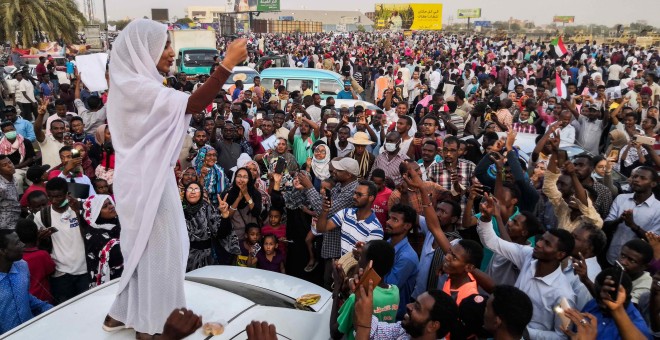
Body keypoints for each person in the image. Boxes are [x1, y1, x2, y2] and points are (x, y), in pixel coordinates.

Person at [102, 19, 247, 337]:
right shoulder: (138, 88)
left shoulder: (130, 83)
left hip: (144, 178)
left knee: (146, 249)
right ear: (144, 50)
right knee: (164, 250)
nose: (171, 52)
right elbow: (194, 105)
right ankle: (152, 326)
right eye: (164, 45)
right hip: (146, 182)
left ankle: (121, 312)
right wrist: (227, 64)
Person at [478, 193, 577, 338]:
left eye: (547, 244)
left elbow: (562, 335)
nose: (538, 244)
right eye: (542, 239)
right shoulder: (527, 256)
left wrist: (525, 332)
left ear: (560, 255)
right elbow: (493, 243)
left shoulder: (563, 295)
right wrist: (487, 218)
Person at [34, 177, 89, 304]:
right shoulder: (41, 216)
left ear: (67, 194)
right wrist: (41, 238)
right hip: (61, 273)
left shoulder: (80, 208)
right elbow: (37, 245)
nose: (54, 201)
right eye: (50, 197)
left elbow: (88, 234)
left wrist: (77, 212)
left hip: (84, 269)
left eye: (58, 196)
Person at [332, 240, 398, 340]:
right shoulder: (394, 292)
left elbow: (335, 333)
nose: (358, 260)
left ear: (368, 265)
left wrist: (337, 289)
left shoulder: (358, 298)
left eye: (361, 257)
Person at [604, 166, 660, 266]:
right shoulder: (621, 198)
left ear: (653, 184)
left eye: (643, 178)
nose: (636, 180)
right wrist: (620, 220)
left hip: (635, 265)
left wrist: (633, 225)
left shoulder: (658, 209)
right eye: (635, 176)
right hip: (612, 258)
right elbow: (606, 226)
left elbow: (653, 241)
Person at [0, 229, 52, 334]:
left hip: (31, 332)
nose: (23, 245)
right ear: (3, 251)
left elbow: (25, 296)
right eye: (17, 243)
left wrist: (48, 308)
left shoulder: (23, 266)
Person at [316, 179, 384, 257]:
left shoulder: (376, 229)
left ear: (371, 198)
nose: (354, 197)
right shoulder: (346, 213)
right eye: (355, 193)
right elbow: (321, 229)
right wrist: (325, 210)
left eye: (359, 194)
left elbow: (366, 259)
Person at [580, 269, 652, 339]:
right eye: (600, 300)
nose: (604, 305)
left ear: (625, 297)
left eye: (610, 300)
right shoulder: (593, 304)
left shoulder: (637, 328)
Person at [182, 182, 236, 270]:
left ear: (201, 193)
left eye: (196, 189)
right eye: (190, 189)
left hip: (205, 258)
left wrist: (225, 215)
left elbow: (221, 233)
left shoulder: (208, 209)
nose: (192, 192)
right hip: (183, 256)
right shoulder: (179, 209)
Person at [383, 203, 420, 320]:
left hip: (393, 315)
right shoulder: (387, 244)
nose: (388, 222)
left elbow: (388, 288)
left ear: (407, 226)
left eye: (395, 219)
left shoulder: (407, 257)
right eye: (389, 217)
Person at [81, 194, 123, 287]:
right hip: (112, 284)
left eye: (110, 203)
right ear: (95, 213)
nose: (111, 206)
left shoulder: (121, 222)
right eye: (105, 206)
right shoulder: (94, 236)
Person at [15, 219, 56, 304]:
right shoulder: (42, 255)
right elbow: (51, 270)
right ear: (37, 234)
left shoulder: (16, 258)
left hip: (25, 301)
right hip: (44, 300)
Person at [225, 167, 262, 241]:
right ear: (235, 178)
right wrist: (238, 198)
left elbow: (256, 212)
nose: (241, 180)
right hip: (235, 237)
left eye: (245, 177)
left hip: (252, 237)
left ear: (249, 179)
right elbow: (228, 216)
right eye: (239, 176)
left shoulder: (255, 194)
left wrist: (246, 194)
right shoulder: (228, 194)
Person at [0, 121, 35, 194]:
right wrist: (12, 168)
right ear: (3, 133)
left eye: (11, 130)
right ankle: (19, 198)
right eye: (7, 131)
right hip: (12, 170)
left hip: (28, 167)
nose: (10, 132)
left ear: (15, 129)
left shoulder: (25, 141)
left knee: (35, 180)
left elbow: (30, 159)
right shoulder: (1, 145)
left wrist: (16, 166)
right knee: (17, 179)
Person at [0, 154, 20, 230]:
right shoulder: (1, 187)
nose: (10, 166)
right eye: (4, 165)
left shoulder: (13, 178)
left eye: (10, 162)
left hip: (17, 218)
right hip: (5, 226)